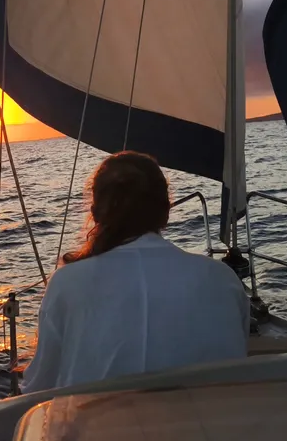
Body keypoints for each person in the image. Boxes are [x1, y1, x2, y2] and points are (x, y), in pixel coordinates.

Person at [20, 151, 249, 394]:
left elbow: (39, 389)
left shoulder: (67, 283)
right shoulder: (222, 279)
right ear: (166, 211)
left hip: (97, 429)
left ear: (95, 213)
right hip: (207, 429)